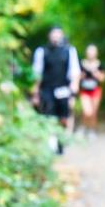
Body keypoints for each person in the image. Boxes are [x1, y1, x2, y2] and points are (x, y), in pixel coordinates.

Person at [31, 26, 81, 154]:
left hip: (64, 88)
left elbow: (75, 72)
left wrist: (73, 93)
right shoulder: (42, 51)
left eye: (58, 34)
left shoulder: (69, 50)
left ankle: (60, 142)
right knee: (49, 115)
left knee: (63, 118)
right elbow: (37, 73)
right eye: (53, 34)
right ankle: (51, 143)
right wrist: (35, 93)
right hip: (46, 89)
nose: (55, 36)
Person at [77, 44, 105, 140]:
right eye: (89, 51)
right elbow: (76, 77)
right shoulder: (81, 64)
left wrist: (96, 74)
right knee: (87, 111)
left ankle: (92, 130)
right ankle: (82, 127)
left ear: (96, 53)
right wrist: (82, 75)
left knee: (93, 112)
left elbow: (103, 79)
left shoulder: (100, 64)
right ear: (86, 53)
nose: (91, 53)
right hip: (84, 91)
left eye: (93, 51)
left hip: (96, 91)